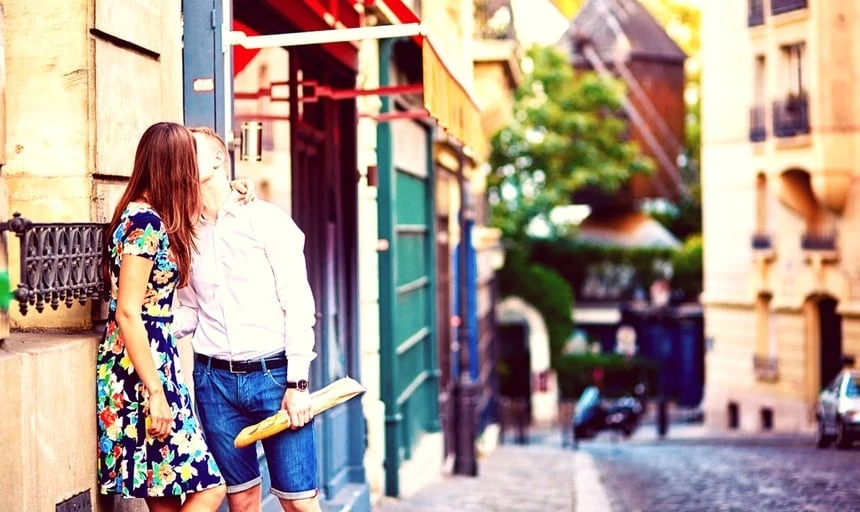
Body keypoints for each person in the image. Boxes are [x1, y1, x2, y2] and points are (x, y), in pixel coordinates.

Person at [174, 126, 321, 512]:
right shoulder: (185, 233)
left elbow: (298, 304)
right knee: (242, 501)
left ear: (220, 159)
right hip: (213, 382)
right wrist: (149, 328)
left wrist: (298, 382)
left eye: (191, 150)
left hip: (275, 379)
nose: (181, 156)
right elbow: (189, 308)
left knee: (300, 503)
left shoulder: (268, 222)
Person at [96, 122, 227, 511]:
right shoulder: (144, 223)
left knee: (166, 499)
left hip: (154, 361)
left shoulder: (149, 216)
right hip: (142, 371)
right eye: (187, 162)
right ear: (173, 167)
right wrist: (155, 392)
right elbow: (128, 312)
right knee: (211, 488)